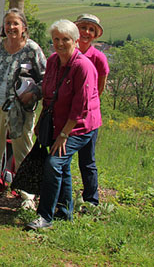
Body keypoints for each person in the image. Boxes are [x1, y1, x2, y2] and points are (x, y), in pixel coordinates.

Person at [26, 20, 102, 230]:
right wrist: (42, 122)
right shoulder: (52, 61)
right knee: (63, 166)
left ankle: (45, 217)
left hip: (81, 125)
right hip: (58, 121)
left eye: (65, 39)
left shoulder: (82, 66)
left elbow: (81, 107)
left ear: (76, 41)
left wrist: (64, 134)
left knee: (54, 163)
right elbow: (49, 95)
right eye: (56, 39)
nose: (60, 44)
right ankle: (64, 212)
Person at [0, 9, 46, 202]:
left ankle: (26, 194)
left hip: (21, 108)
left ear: (23, 27)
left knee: (23, 149)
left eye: (15, 24)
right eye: (8, 24)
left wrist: (33, 94)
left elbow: (45, 79)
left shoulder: (32, 49)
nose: (11, 27)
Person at [74, 13, 108, 206]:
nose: (86, 32)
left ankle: (91, 201)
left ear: (95, 35)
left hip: (88, 117)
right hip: (66, 114)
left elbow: (100, 88)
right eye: (83, 27)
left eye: (91, 29)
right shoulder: (67, 51)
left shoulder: (99, 58)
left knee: (87, 161)